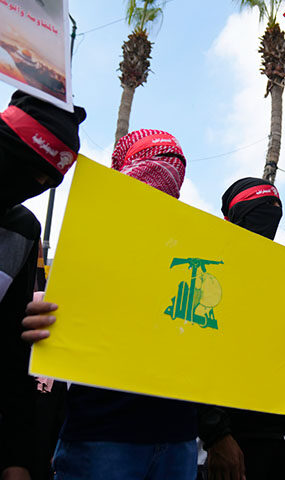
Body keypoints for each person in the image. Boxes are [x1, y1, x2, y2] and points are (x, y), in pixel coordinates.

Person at [22, 129, 199, 480]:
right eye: (152, 162)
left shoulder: (198, 252)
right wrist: (35, 318)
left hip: (178, 440)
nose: (161, 175)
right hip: (104, 437)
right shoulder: (88, 244)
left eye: (171, 165)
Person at [198, 177, 285, 480]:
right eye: (261, 209)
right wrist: (217, 433)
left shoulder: (279, 274)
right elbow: (200, 352)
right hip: (239, 437)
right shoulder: (210, 266)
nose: (270, 217)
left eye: (276, 210)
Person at [0, 90, 85, 480]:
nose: (35, 184)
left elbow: (13, 355)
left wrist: (15, 459)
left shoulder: (22, 229)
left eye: (48, 180)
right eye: (29, 167)